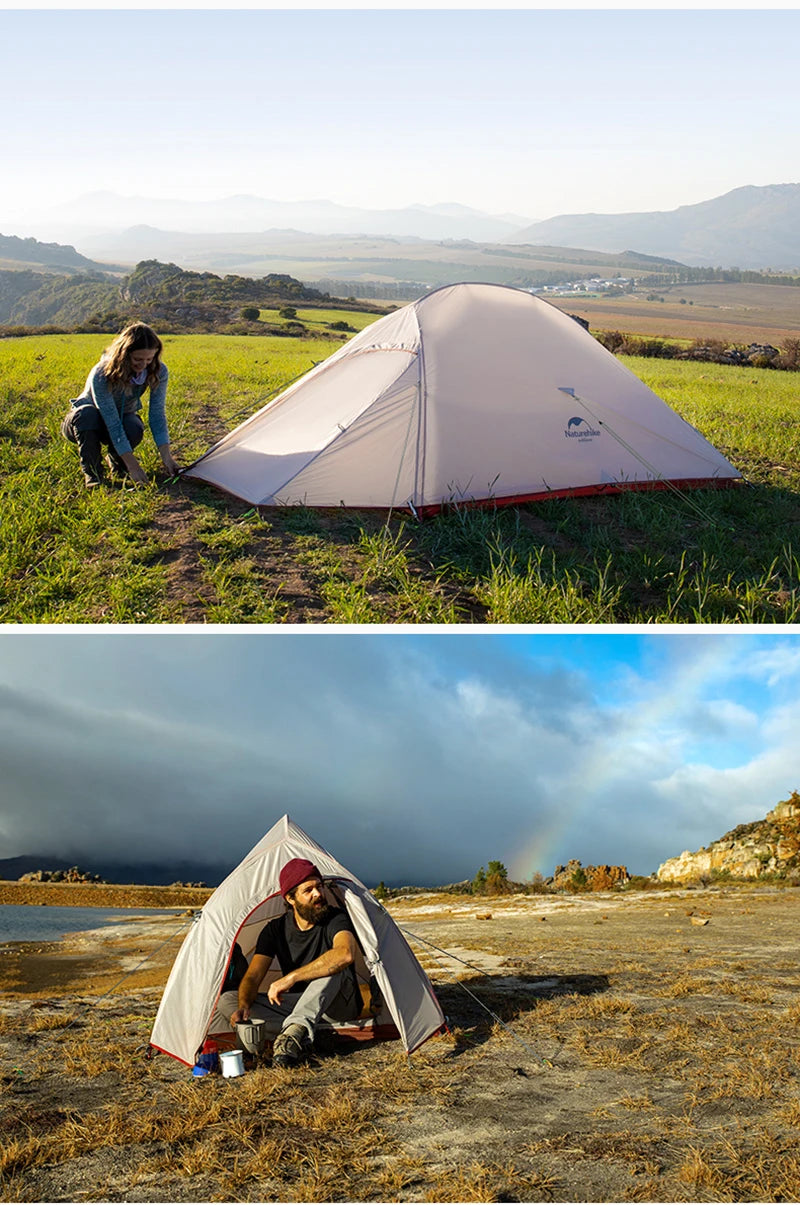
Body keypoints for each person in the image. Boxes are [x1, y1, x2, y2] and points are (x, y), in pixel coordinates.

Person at [221, 858, 362, 1068]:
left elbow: (345, 954)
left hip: (337, 1005)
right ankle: (309, 1034)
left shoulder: (336, 918)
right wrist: (243, 1007)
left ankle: (293, 1034)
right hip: (298, 1005)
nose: (318, 894)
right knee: (227, 1000)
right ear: (290, 898)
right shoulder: (275, 929)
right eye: (309, 890)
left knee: (333, 968)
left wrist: (291, 977)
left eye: (319, 886)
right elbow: (252, 976)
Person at [61, 322, 180, 488]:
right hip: (85, 423)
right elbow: (112, 422)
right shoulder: (102, 373)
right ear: (124, 355)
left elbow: (157, 415)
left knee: (134, 425)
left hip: (121, 417)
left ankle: (117, 462)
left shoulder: (159, 371)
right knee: (87, 414)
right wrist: (134, 465)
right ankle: (93, 474)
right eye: (137, 359)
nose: (143, 365)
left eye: (149, 359)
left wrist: (167, 457)